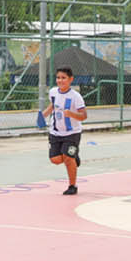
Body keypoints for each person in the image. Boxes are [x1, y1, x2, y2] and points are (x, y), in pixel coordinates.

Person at [46, 66, 85, 196]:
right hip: (56, 132)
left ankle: (72, 186)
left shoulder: (76, 97)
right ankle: (74, 156)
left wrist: (72, 114)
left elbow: (83, 115)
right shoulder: (52, 92)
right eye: (58, 78)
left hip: (72, 133)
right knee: (55, 159)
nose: (60, 80)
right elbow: (52, 105)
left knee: (68, 158)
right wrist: (42, 115)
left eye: (63, 78)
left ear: (70, 79)